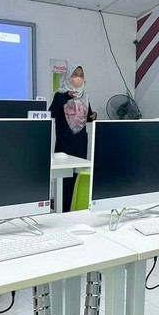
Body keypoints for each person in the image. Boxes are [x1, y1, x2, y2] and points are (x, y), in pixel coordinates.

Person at [49, 63, 97, 211]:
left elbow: (86, 117)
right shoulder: (60, 95)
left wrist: (93, 116)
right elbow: (52, 113)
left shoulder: (85, 96)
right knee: (65, 178)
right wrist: (66, 96)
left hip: (80, 142)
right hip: (64, 144)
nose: (78, 78)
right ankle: (63, 208)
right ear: (68, 77)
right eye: (75, 75)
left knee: (79, 175)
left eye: (81, 75)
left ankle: (75, 207)